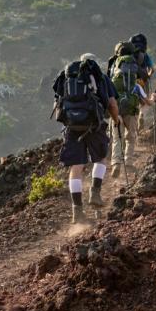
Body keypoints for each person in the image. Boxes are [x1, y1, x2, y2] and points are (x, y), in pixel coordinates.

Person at [52, 53, 120, 224]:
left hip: (72, 127)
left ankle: (77, 211)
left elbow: (57, 104)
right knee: (100, 159)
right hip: (94, 124)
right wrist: (117, 120)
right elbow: (112, 104)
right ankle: (95, 192)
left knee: (76, 168)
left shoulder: (66, 78)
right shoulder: (101, 78)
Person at [110, 42, 156, 178]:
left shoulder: (114, 69)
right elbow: (147, 102)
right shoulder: (136, 84)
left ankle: (116, 163)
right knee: (130, 137)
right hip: (131, 110)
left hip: (116, 110)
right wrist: (153, 98)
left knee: (116, 138)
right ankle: (129, 162)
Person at [128, 33, 155, 133]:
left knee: (132, 101)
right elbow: (152, 69)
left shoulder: (128, 56)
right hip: (142, 81)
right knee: (144, 102)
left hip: (131, 80)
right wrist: (148, 75)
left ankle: (133, 122)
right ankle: (141, 115)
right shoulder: (145, 55)